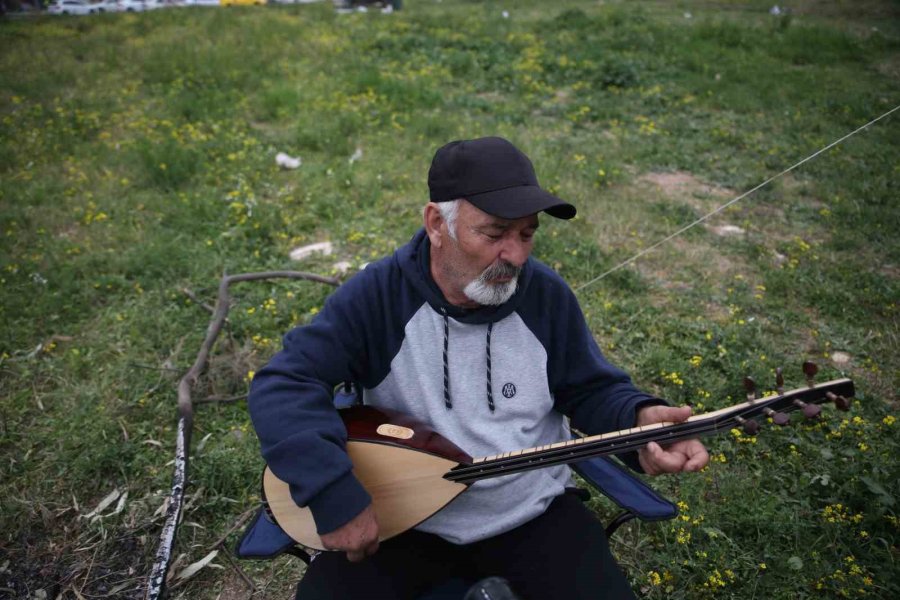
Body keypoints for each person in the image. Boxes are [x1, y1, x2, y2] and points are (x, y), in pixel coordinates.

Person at [249, 136, 709, 600]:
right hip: (402, 521)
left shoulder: (545, 296)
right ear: (437, 224)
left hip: (531, 515)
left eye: (527, 234)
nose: (516, 255)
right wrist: (333, 494)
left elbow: (590, 389)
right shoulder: (379, 296)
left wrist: (639, 419)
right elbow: (285, 383)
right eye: (494, 234)